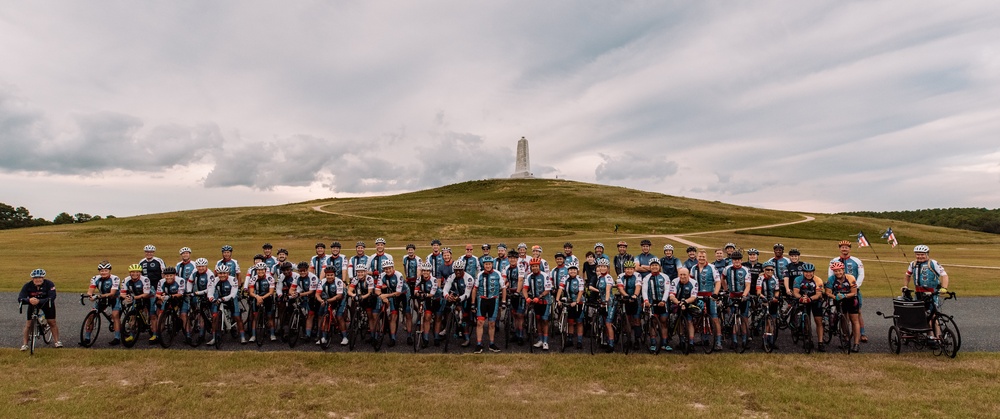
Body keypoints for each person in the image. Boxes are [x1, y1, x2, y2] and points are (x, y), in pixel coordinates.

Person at [903, 245, 950, 337]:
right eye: (917, 254)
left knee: (933, 315)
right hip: (919, 293)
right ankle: (930, 335)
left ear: (927, 254)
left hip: (932, 293)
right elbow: (907, 275)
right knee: (923, 314)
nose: (920, 256)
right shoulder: (913, 264)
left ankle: (938, 336)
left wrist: (944, 288)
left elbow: (944, 275)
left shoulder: (933, 263)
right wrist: (905, 286)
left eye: (922, 254)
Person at [828, 240, 866, 342]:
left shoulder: (856, 260)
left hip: (853, 289)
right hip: (839, 290)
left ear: (850, 249)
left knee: (857, 312)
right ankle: (846, 334)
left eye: (846, 247)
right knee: (842, 313)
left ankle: (862, 333)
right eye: (842, 247)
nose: (844, 249)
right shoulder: (834, 260)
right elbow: (830, 275)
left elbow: (861, 274)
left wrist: (856, 286)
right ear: (840, 248)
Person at [18, 269, 61, 350]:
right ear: (32, 279)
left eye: (40, 278)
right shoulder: (27, 285)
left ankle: (57, 341)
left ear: (43, 278)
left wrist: (39, 301)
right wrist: (29, 300)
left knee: (52, 322)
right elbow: (20, 298)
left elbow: (52, 296)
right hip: (33, 303)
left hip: (46, 303)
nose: (38, 280)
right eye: (35, 278)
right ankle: (25, 344)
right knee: (28, 324)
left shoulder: (49, 284)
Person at [472, 256, 506, 353]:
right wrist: (473, 303)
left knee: (492, 323)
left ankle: (492, 343)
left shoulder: (497, 274)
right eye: (486, 264)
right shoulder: (480, 275)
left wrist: (503, 301)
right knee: (480, 323)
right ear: (483, 265)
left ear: (492, 264)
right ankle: (479, 344)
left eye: (489, 264)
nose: (488, 266)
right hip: (482, 300)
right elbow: (475, 289)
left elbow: (503, 288)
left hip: (493, 301)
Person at [690, 250, 722, 350]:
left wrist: (715, 294)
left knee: (714, 318)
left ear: (706, 257)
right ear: (697, 257)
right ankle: (704, 339)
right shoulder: (693, 268)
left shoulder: (712, 267)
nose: (701, 258)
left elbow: (717, 282)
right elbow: (690, 282)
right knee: (698, 318)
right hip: (697, 296)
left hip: (710, 296)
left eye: (703, 257)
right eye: (700, 256)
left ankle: (718, 342)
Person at [826, 261, 861, 352]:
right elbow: (828, 292)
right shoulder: (831, 279)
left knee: (855, 320)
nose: (838, 273)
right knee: (843, 319)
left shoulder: (850, 278)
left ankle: (856, 344)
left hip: (851, 300)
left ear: (843, 270)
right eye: (836, 271)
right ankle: (846, 339)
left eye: (840, 271)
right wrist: (834, 297)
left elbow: (854, 292)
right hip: (839, 300)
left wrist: (845, 296)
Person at [207, 265, 246, 345]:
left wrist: (224, 299)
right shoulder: (214, 280)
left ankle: (242, 337)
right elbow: (210, 291)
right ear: (217, 273)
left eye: (224, 273)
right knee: (214, 318)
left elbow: (233, 294)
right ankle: (214, 338)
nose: (222, 275)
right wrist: (211, 298)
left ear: (228, 273)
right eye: (220, 273)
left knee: (237, 317)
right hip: (218, 298)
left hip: (230, 298)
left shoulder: (233, 280)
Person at [376, 260, 411, 347]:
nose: (388, 270)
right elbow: (377, 289)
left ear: (393, 268)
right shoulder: (382, 275)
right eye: (386, 269)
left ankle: (409, 336)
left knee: (407, 314)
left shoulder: (398, 275)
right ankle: (393, 338)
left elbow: (398, 293)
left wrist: (385, 295)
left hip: (404, 294)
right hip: (392, 293)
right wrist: (381, 295)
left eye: (389, 268)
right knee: (393, 316)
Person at [85, 261, 121, 346]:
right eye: (101, 271)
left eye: (105, 270)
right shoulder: (95, 278)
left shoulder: (115, 278)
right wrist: (90, 296)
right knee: (91, 316)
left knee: (115, 315)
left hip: (114, 298)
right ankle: (87, 338)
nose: (103, 272)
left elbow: (112, 293)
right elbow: (91, 290)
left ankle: (117, 338)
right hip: (102, 298)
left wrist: (98, 296)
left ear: (109, 271)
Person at [792, 262, 825, 351]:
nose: (808, 274)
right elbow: (795, 292)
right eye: (806, 272)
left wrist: (810, 299)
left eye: (810, 272)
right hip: (803, 300)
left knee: (819, 321)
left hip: (815, 300)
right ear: (803, 272)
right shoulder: (798, 279)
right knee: (806, 321)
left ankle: (820, 342)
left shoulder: (818, 280)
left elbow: (818, 294)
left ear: (813, 272)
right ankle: (808, 339)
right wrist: (801, 298)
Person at [722, 252, 751, 349]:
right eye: (734, 260)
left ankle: (744, 340)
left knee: (744, 318)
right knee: (733, 319)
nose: (736, 262)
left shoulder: (746, 270)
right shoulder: (727, 269)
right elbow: (723, 278)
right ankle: (734, 340)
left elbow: (748, 285)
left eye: (738, 260)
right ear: (732, 261)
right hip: (732, 296)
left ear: (741, 260)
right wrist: (726, 289)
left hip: (743, 296)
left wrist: (744, 295)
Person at [442, 260, 475, 347]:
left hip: (466, 297)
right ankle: (447, 327)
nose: (458, 272)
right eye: (456, 270)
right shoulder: (451, 276)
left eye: (460, 270)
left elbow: (467, 294)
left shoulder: (469, 278)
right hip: (457, 293)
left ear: (463, 269)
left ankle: (467, 338)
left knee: (465, 318)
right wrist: (447, 296)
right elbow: (445, 289)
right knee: (446, 307)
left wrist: (459, 299)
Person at [522, 259, 553, 350]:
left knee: (544, 320)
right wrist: (527, 297)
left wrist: (539, 297)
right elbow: (525, 289)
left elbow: (547, 290)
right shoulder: (529, 276)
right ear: (531, 267)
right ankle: (540, 340)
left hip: (545, 301)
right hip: (535, 301)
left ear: (539, 266)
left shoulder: (544, 275)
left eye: (536, 266)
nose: (534, 268)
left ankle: (545, 342)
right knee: (538, 320)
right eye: (533, 266)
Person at [642, 259, 672, 352]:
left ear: (659, 267)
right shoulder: (647, 277)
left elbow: (667, 290)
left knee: (664, 322)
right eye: (652, 265)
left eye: (656, 265)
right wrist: (646, 300)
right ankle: (653, 343)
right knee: (653, 323)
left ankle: (664, 343)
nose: (654, 267)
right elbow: (644, 290)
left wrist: (663, 300)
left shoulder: (665, 276)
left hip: (663, 302)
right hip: (651, 302)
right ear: (650, 267)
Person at [120, 264, 154, 344]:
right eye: (132, 272)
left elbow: (146, 294)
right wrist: (126, 297)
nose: (135, 274)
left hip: (149, 296)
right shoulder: (126, 280)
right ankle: (132, 334)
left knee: (152, 314)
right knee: (133, 315)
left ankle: (155, 334)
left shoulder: (145, 279)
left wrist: (133, 297)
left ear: (140, 273)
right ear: (129, 273)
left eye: (137, 272)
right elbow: (122, 293)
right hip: (136, 296)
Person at [185, 258, 216, 344]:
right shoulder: (194, 272)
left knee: (214, 315)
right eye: (199, 266)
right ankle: (201, 335)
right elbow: (190, 281)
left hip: (211, 293)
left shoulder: (210, 274)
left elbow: (210, 289)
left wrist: (197, 293)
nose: (201, 268)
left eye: (202, 266)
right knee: (201, 315)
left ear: (206, 266)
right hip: (199, 293)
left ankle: (215, 336)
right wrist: (189, 291)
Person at [247, 262, 279, 342]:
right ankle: (254, 336)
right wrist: (257, 297)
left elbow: (271, 292)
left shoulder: (270, 278)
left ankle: (272, 334)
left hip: (267, 297)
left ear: (265, 270)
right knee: (255, 317)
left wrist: (262, 298)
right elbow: (251, 292)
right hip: (257, 297)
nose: (260, 272)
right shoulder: (253, 279)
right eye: (258, 270)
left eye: (262, 270)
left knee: (269, 317)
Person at [590, 259, 617, 352]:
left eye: (604, 267)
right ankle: (604, 339)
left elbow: (608, 291)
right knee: (602, 322)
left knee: (608, 323)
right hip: (601, 301)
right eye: (600, 266)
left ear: (607, 268)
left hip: (609, 302)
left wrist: (606, 301)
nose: (602, 268)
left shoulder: (608, 278)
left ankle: (611, 345)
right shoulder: (599, 277)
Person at [317, 266, 349, 346]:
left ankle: (345, 337)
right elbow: (317, 294)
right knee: (324, 316)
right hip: (328, 298)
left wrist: (327, 301)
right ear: (325, 275)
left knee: (339, 317)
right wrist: (321, 300)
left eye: (331, 275)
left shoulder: (338, 282)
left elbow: (339, 296)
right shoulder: (322, 281)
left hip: (340, 299)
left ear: (334, 275)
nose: (330, 277)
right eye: (328, 275)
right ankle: (323, 337)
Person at [616, 260, 643, 350]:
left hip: (635, 298)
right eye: (627, 269)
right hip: (625, 298)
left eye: (631, 269)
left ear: (634, 269)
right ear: (624, 269)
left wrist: (635, 295)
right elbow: (620, 288)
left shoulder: (637, 275)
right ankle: (628, 339)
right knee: (627, 319)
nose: (629, 271)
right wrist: (626, 296)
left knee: (636, 319)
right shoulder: (621, 276)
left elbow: (638, 286)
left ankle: (636, 340)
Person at [154, 267, 185, 343]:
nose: (168, 277)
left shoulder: (180, 280)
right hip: (166, 297)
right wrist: (161, 297)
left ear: (175, 275)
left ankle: (187, 334)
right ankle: (158, 334)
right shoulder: (161, 281)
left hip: (177, 298)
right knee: (160, 313)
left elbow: (180, 294)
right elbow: (157, 294)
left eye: (171, 275)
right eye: (167, 276)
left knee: (184, 314)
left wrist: (171, 296)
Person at [348, 265, 378, 344]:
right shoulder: (355, 279)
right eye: (358, 272)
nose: (360, 274)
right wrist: (354, 295)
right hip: (361, 295)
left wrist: (361, 297)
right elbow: (349, 291)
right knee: (354, 306)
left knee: (370, 316)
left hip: (370, 297)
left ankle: (373, 336)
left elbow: (370, 292)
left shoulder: (369, 278)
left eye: (362, 272)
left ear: (365, 272)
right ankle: (357, 320)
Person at [291, 262, 320, 343]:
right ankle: (307, 335)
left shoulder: (313, 277)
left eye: (304, 271)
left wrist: (299, 294)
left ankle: (318, 334)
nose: (302, 272)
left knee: (315, 315)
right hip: (305, 294)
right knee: (308, 315)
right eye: (300, 271)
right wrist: (292, 293)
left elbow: (311, 291)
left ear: (307, 270)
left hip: (316, 295)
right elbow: (292, 288)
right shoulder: (297, 278)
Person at [669, 267, 698, 349]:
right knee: (679, 322)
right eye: (681, 274)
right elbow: (671, 295)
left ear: (688, 275)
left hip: (689, 302)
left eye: (684, 274)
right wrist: (678, 302)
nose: (682, 276)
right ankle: (681, 341)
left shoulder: (693, 282)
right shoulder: (675, 281)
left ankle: (691, 343)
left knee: (689, 322)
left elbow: (693, 296)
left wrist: (685, 302)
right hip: (677, 302)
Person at [757, 262, 782, 349]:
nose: (770, 271)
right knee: (766, 322)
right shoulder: (761, 278)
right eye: (767, 269)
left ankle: (771, 341)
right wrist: (762, 297)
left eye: (771, 270)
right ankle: (765, 341)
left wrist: (776, 297)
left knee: (773, 321)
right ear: (764, 270)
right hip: (763, 299)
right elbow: (758, 291)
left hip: (772, 300)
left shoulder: (775, 278)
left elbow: (777, 290)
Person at [414, 262, 439, 348]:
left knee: (437, 318)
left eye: (427, 271)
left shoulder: (434, 280)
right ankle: (426, 338)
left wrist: (423, 294)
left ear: (430, 272)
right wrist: (419, 294)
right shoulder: (419, 279)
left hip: (437, 299)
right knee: (427, 317)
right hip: (427, 299)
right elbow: (415, 291)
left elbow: (432, 294)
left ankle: (436, 337)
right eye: (424, 270)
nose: (425, 272)